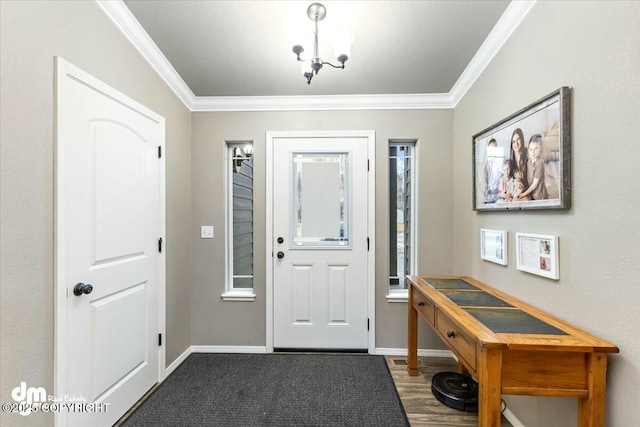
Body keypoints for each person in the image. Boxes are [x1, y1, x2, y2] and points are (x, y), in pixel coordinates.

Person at [518, 134, 548, 200]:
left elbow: (534, 185)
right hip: (532, 196)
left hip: (540, 197)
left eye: (535, 149)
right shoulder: (529, 162)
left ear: (540, 149)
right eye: (531, 149)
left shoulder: (540, 163)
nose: (533, 152)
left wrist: (524, 194)